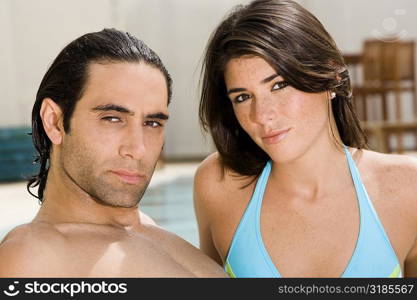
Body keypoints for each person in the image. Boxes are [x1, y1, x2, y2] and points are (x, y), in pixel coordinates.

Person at [194, 0, 417, 278]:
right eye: (243, 97)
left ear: (331, 75)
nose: (262, 115)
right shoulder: (218, 185)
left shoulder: (407, 188)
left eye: (279, 85)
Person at [0, 28, 226, 278]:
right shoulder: (30, 259)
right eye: (112, 118)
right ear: (54, 122)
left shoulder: (149, 232)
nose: (137, 149)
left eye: (152, 123)